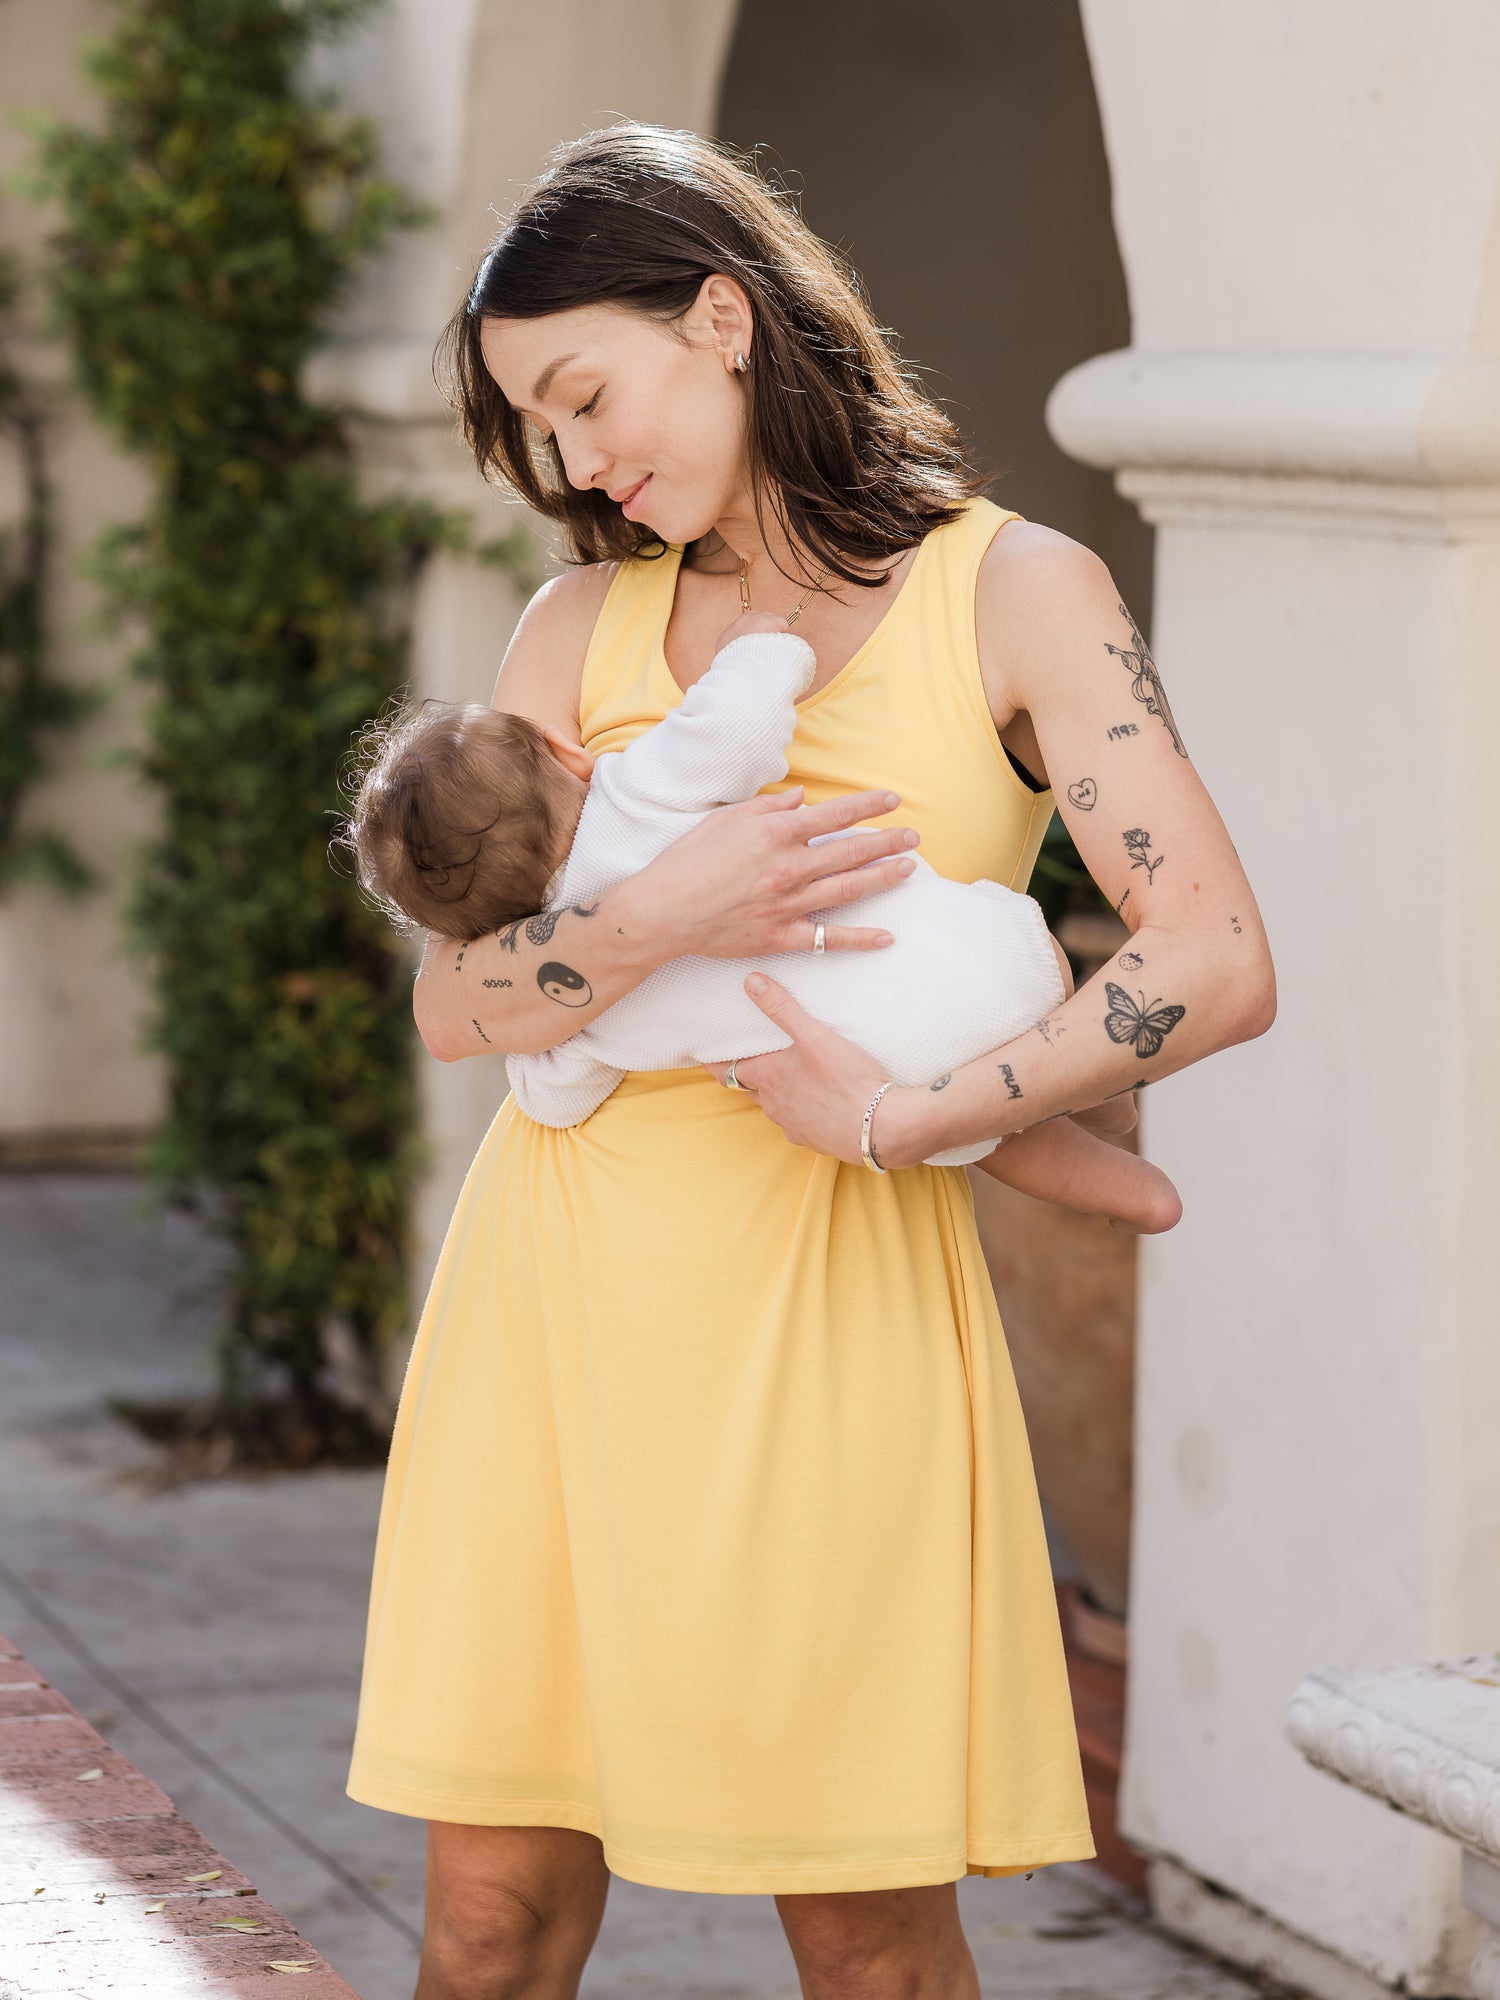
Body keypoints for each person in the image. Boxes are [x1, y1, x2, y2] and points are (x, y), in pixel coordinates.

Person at [344, 123, 1276, 2000]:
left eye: (590, 393)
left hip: (833, 1321)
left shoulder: (1015, 592)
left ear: (724, 314)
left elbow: (1215, 957)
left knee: (865, 1941)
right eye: (541, 430)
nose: (579, 460)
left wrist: (905, 1112)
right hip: (558, 1320)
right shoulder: (572, 629)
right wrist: (657, 915)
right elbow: (456, 1007)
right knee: (489, 1923)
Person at [344, 604, 1182, 1224]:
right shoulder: (642, 788)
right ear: (568, 754)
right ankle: (1104, 1097)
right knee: (1026, 993)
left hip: (889, 1083)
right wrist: (758, 646)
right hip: (982, 952)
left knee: (1006, 1141)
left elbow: (550, 1099)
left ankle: (1135, 1192)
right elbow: (739, 727)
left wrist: (545, 1048)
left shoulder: (584, 1016)